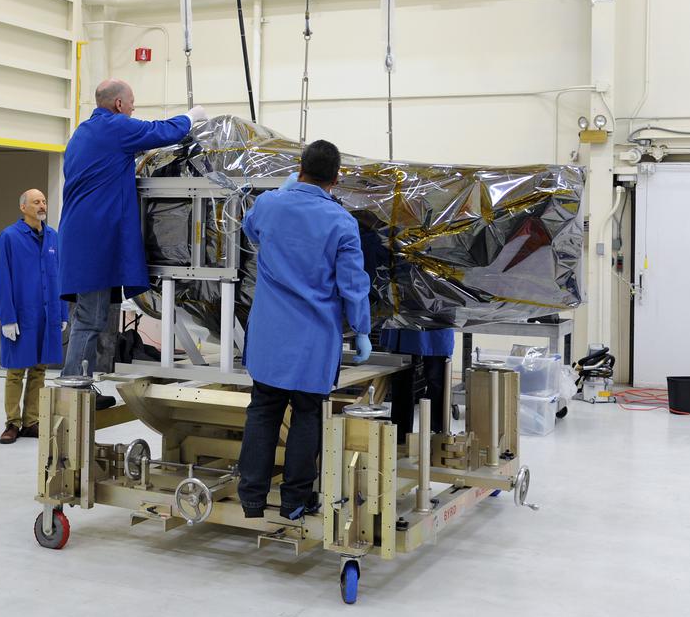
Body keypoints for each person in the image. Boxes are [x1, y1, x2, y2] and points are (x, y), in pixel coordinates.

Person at [236, 140, 372, 520]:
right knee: (307, 414)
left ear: (300, 167)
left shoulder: (269, 205)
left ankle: (251, 497)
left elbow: (250, 231)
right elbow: (353, 284)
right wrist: (361, 328)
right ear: (335, 178)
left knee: (262, 409)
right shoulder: (342, 222)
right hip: (314, 340)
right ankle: (295, 500)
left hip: (269, 335)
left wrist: (280, 195)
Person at [59, 79, 206, 387]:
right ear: (119, 105)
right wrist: (191, 117)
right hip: (95, 240)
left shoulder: (84, 133)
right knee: (90, 319)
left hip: (84, 236)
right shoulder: (115, 128)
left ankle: (79, 383)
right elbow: (161, 131)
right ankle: (74, 386)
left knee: (90, 316)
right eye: (132, 102)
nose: (134, 108)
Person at [0, 189, 66, 445]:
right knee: (15, 371)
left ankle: (32, 421)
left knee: (40, 369)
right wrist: (7, 318)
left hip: (47, 314)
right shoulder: (9, 238)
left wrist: (62, 311)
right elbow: (0, 280)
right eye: (36, 202)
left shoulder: (53, 237)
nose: (42, 205)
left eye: (43, 201)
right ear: (23, 207)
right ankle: (12, 423)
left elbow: (60, 276)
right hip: (22, 315)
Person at [379, 327, 455, 441]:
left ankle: (436, 437)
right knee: (402, 380)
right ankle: (400, 437)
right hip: (405, 322)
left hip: (437, 323)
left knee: (436, 381)